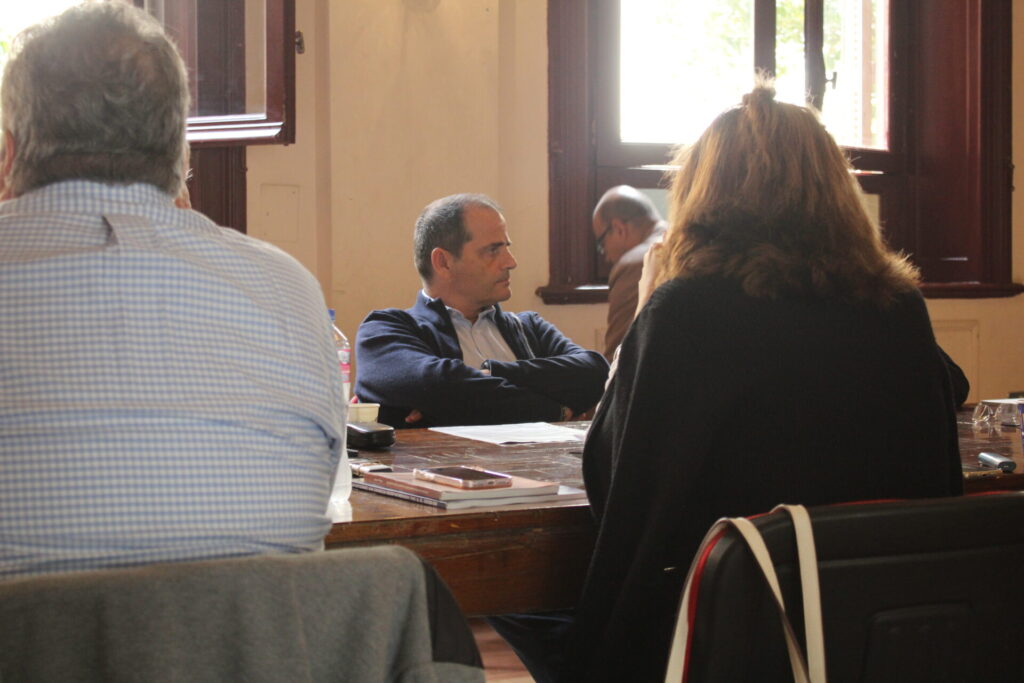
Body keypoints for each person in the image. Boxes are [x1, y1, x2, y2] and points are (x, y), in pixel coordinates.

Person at [565, 83, 965, 681]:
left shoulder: (686, 312)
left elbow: (617, 482)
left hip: (731, 635)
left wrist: (645, 312)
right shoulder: (897, 307)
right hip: (881, 633)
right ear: (836, 189)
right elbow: (944, 409)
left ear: (705, 192)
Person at [0, 2, 346, 578]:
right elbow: (324, 489)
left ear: (9, 152)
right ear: (180, 154)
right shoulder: (289, 288)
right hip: (256, 633)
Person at [355, 193, 608, 428]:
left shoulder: (528, 327)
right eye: (493, 250)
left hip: (543, 461)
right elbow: (436, 385)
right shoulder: (385, 330)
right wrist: (555, 411)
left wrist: (490, 374)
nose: (511, 262)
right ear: (443, 262)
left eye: (507, 247)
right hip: (445, 463)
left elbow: (595, 373)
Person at [592, 185, 666, 359]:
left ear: (619, 228)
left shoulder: (634, 264)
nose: (606, 257)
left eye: (602, 244)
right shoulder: (688, 244)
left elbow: (620, 356)